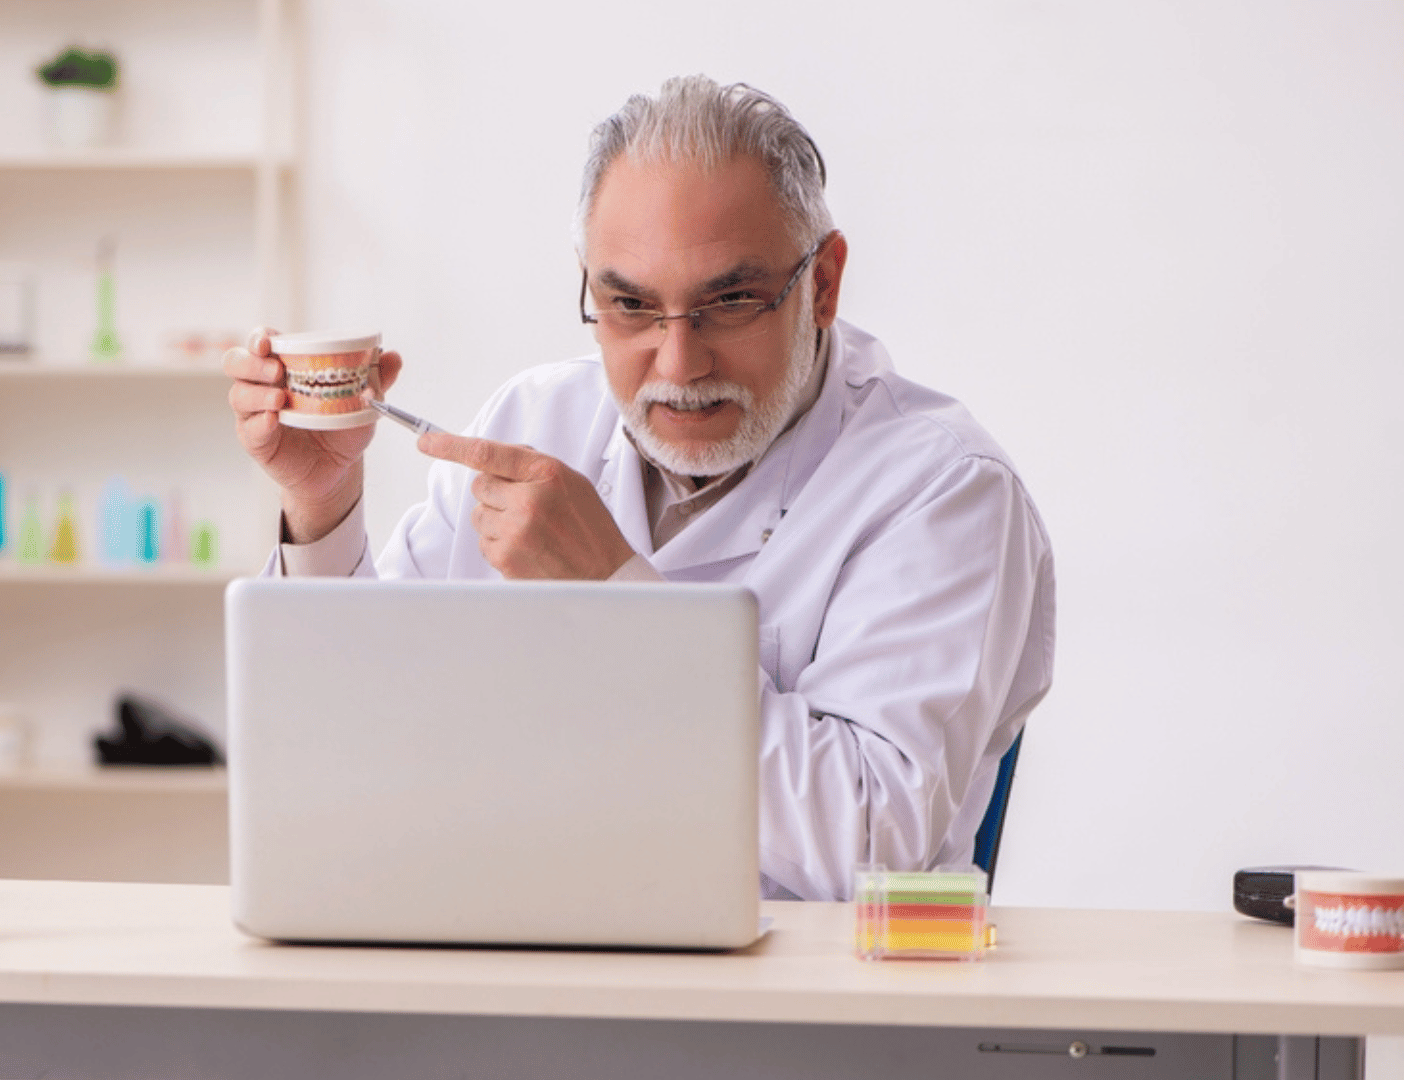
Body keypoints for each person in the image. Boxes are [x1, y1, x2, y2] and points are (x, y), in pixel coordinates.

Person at [223, 76, 1054, 901]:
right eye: (630, 304)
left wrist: (616, 597)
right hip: (506, 953)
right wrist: (322, 507)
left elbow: (873, 843)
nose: (678, 363)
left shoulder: (943, 492)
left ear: (823, 286)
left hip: (785, 1010)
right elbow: (348, 737)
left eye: (729, 301)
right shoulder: (535, 420)